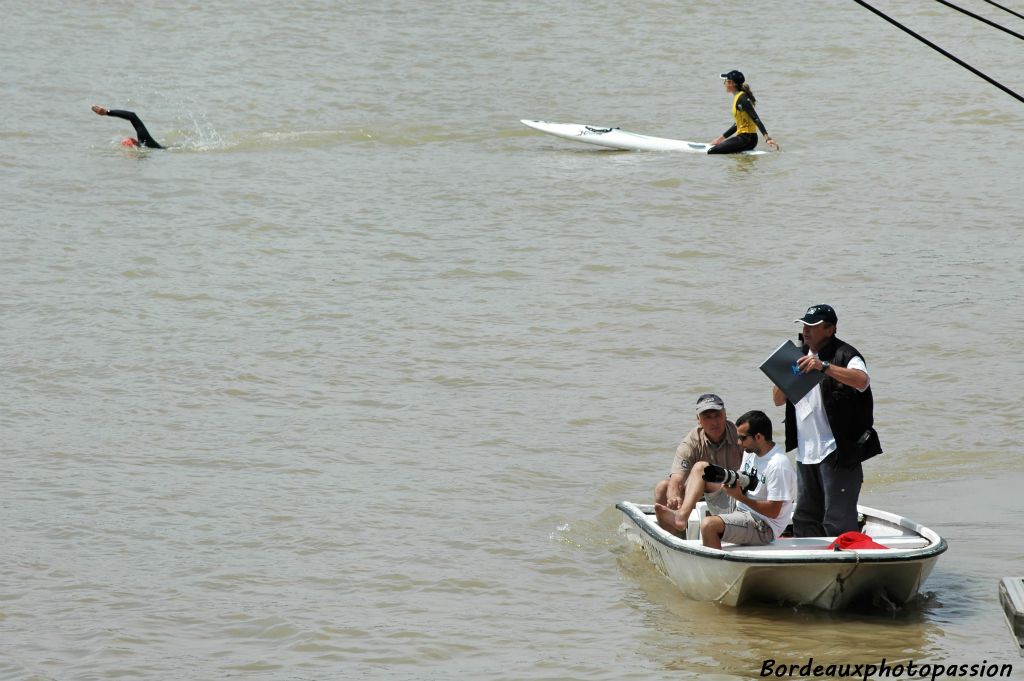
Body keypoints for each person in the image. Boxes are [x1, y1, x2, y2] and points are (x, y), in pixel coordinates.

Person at [771, 304, 882, 537]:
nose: (806, 330)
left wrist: (824, 367)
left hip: (837, 451)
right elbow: (778, 400)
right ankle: (807, 566)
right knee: (805, 517)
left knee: (837, 519)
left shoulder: (846, 354)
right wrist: (786, 377)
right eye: (804, 325)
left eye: (812, 326)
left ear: (830, 330)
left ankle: (843, 565)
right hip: (805, 452)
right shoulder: (797, 355)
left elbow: (862, 380)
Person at [699, 410, 797, 549]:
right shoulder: (750, 452)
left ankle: (715, 569)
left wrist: (740, 497)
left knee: (709, 525)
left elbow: (773, 512)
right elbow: (745, 480)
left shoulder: (778, 465)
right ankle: (679, 518)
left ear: (758, 437)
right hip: (742, 508)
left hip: (764, 524)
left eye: (743, 438)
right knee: (701, 471)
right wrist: (732, 483)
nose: (739, 442)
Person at [653, 393, 743, 535]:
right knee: (663, 487)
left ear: (725, 414)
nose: (714, 422)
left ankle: (682, 519)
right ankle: (673, 539)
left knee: (701, 468)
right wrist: (673, 497)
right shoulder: (690, 442)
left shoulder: (740, 436)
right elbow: (676, 479)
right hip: (699, 494)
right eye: (707, 417)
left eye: (717, 415)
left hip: (732, 491)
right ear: (698, 420)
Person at [708, 70, 778, 154]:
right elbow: (737, 124)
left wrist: (767, 138)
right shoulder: (738, 97)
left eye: (725, 81)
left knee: (712, 151)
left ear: (731, 83)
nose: (724, 84)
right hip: (746, 139)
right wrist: (719, 139)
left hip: (746, 139)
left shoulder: (742, 98)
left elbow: (755, 118)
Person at [92, 105, 165, 149]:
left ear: (133, 143)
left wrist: (107, 112)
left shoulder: (145, 141)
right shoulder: (141, 147)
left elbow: (132, 116)